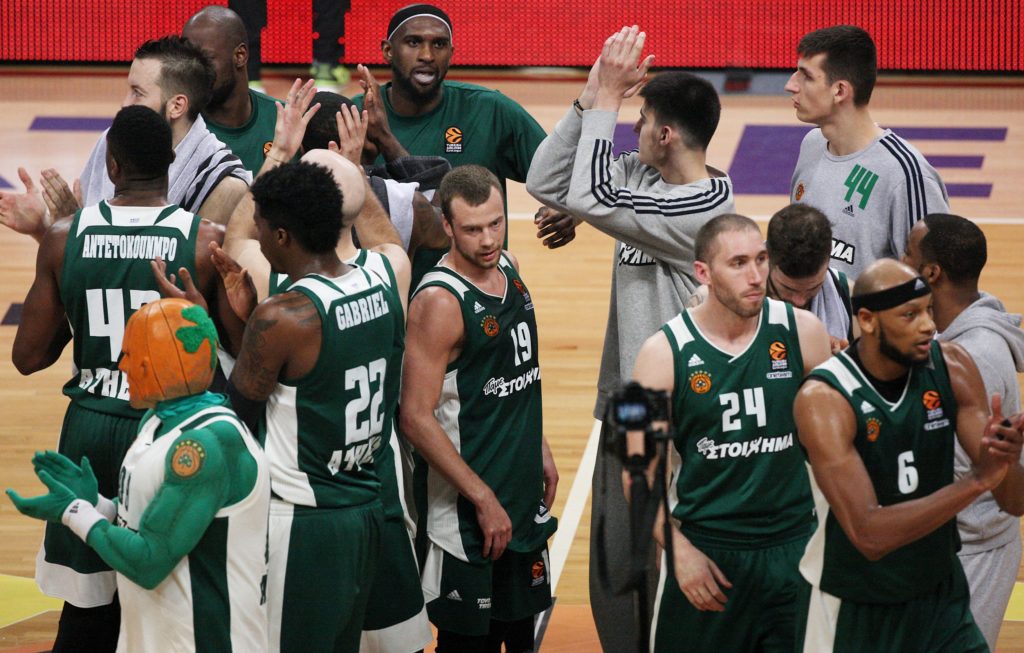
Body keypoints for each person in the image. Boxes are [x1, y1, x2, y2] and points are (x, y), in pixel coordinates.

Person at [525, 25, 736, 650]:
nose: (632, 129)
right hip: (627, 404)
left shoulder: (703, 213)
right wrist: (592, 94)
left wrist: (611, 100)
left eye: (641, 120)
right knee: (616, 569)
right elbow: (547, 182)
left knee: (675, 567)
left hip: (683, 414)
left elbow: (589, 196)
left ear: (664, 135)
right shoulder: (643, 179)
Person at [9, 105, 228, 652]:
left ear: (111, 165)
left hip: (90, 429)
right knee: (169, 594)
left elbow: (28, 357)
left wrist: (78, 303)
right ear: (172, 160)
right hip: (172, 432)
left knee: (87, 611)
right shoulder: (206, 240)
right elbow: (234, 356)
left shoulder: (64, 238)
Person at [7, 298, 270, 652]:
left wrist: (75, 513)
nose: (123, 365)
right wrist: (99, 505)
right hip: (158, 634)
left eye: (129, 355)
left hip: (206, 639)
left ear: (153, 366)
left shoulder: (206, 445)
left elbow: (148, 561)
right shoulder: (158, 420)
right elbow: (153, 516)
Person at [793, 258, 1024, 653]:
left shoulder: (952, 366)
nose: (928, 325)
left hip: (940, 596)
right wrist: (977, 481)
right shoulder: (825, 400)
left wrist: (1007, 459)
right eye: (910, 315)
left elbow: (1014, 502)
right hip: (856, 603)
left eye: (929, 310)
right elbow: (869, 535)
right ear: (868, 320)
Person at [627, 214, 831, 652]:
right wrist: (678, 552)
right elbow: (636, 476)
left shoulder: (805, 333)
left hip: (793, 549)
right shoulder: (659, 355)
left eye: (761, 259)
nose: (756, 276)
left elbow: (840, 446)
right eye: (738, 263)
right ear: (703, 272)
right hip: (707, 553)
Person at [227, 160, 405, 653]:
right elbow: (313, 376)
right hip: (366, 506)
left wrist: (209, 319)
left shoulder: (286, 316)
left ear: (283, 235)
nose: (258, 238)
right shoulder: (382, 283)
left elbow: (235, 416)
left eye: (261, 228)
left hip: (303, 523)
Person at [400, 165, 558, 653]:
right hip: (468, 516)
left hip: (520, 495)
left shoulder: (509, 267)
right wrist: (483, 499)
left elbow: (516, 374)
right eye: (472, 229)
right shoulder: (439, 302)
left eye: (495, 223)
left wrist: (539, 446)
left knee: (522, 640)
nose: (488, 239)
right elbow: (415, 418)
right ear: (447, 226)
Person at [902, 213, 1024, 650]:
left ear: (932, 272)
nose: (900, 260)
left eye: (908, 254)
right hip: (950, 546)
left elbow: (987, 478)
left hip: (972, 549)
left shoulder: (975, 355)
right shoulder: (952, 332)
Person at [0, 35, 251, 238]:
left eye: (137, 93)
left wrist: (71, 226)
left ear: (177, 106)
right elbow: (81, 265)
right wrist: (43, 227)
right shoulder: (113, 140)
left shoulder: (222, 183)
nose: (124, 103)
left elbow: (168, 276)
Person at [786, 25, 949, 278]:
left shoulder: (905, 174)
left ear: (840, 91)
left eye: (806, 76)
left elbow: (935, 281)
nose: (790, 85)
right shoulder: (812, 145)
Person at [183, 5, 281, 173]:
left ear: (240, 56)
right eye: (188, 59)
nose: (194, 70)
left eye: (205, 58)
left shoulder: (285, 122)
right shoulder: (176, 130)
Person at [767, 204, 855, 350]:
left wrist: (843, 360)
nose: (799, 301)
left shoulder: (849, 297)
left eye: (813, 288)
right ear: (766, 258)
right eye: (788, 288)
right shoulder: (737, 298)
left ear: (828, 260)